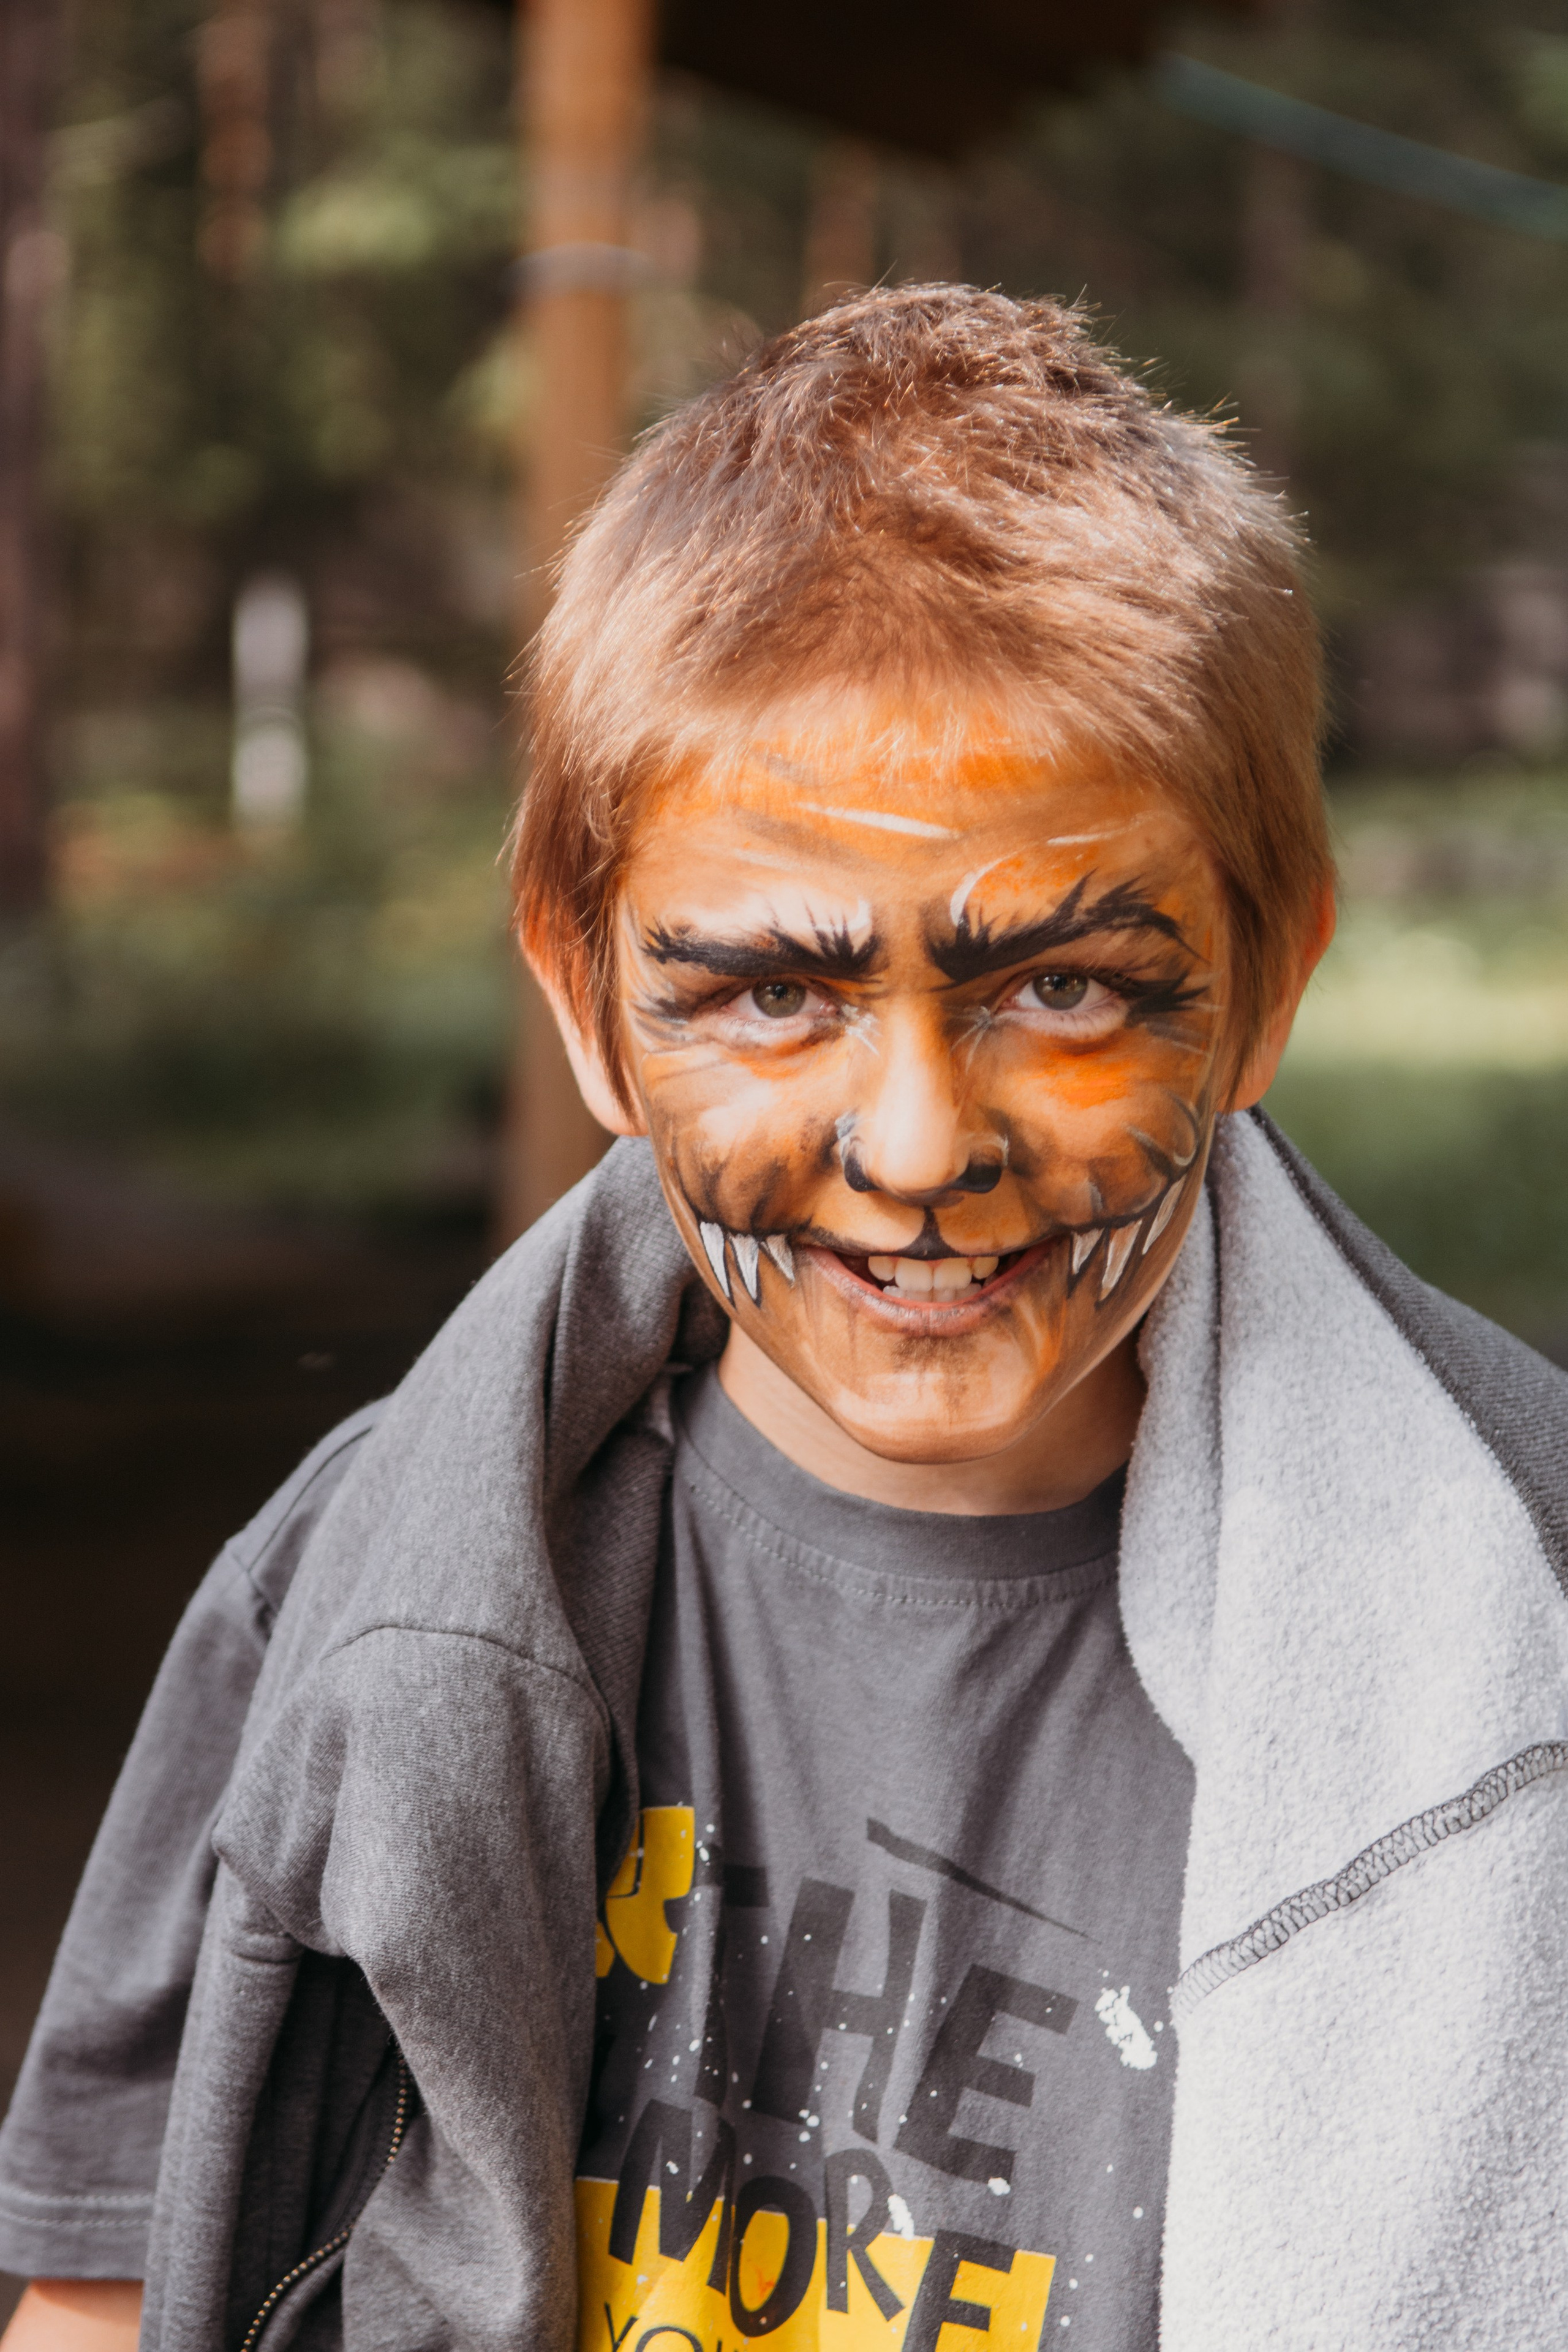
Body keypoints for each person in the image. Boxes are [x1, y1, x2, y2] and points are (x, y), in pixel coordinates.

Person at [4, 284, 1567, 2352]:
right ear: (582, 997)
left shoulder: (1516, 1628)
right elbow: (106, 2299)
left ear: (1268, 985)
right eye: (768, 991)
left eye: (1069, 986)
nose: (917, 1147)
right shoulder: (344, 1589)